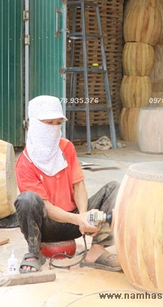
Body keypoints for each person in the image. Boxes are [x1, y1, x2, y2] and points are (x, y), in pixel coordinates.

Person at [14, 95, 121, 273]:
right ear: (35, 124)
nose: (54, 128)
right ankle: (33, 253)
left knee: (114, 189)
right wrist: (78, 219)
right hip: (46, 226)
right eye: (49, 123)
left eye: (58, 123)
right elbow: (46, 207)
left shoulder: (66, 148)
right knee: (26, 200)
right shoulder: (25, 163)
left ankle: (96, 250)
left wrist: (85, 216)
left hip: (74, 222)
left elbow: (78, 185)